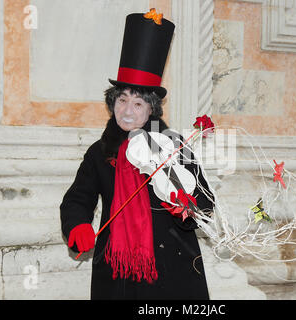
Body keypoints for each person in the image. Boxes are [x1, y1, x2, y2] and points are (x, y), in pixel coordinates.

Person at [60, 10, 214, 300]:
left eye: (138, 103)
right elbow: (77, 199)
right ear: (112, 102)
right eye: (122, 99)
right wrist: (77, 224)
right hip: (116, 273)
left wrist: (187, 210)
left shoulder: (173, 145)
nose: (127, 110)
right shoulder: (99, 152)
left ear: (151, 109)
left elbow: (205, 201)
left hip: (173, 271)